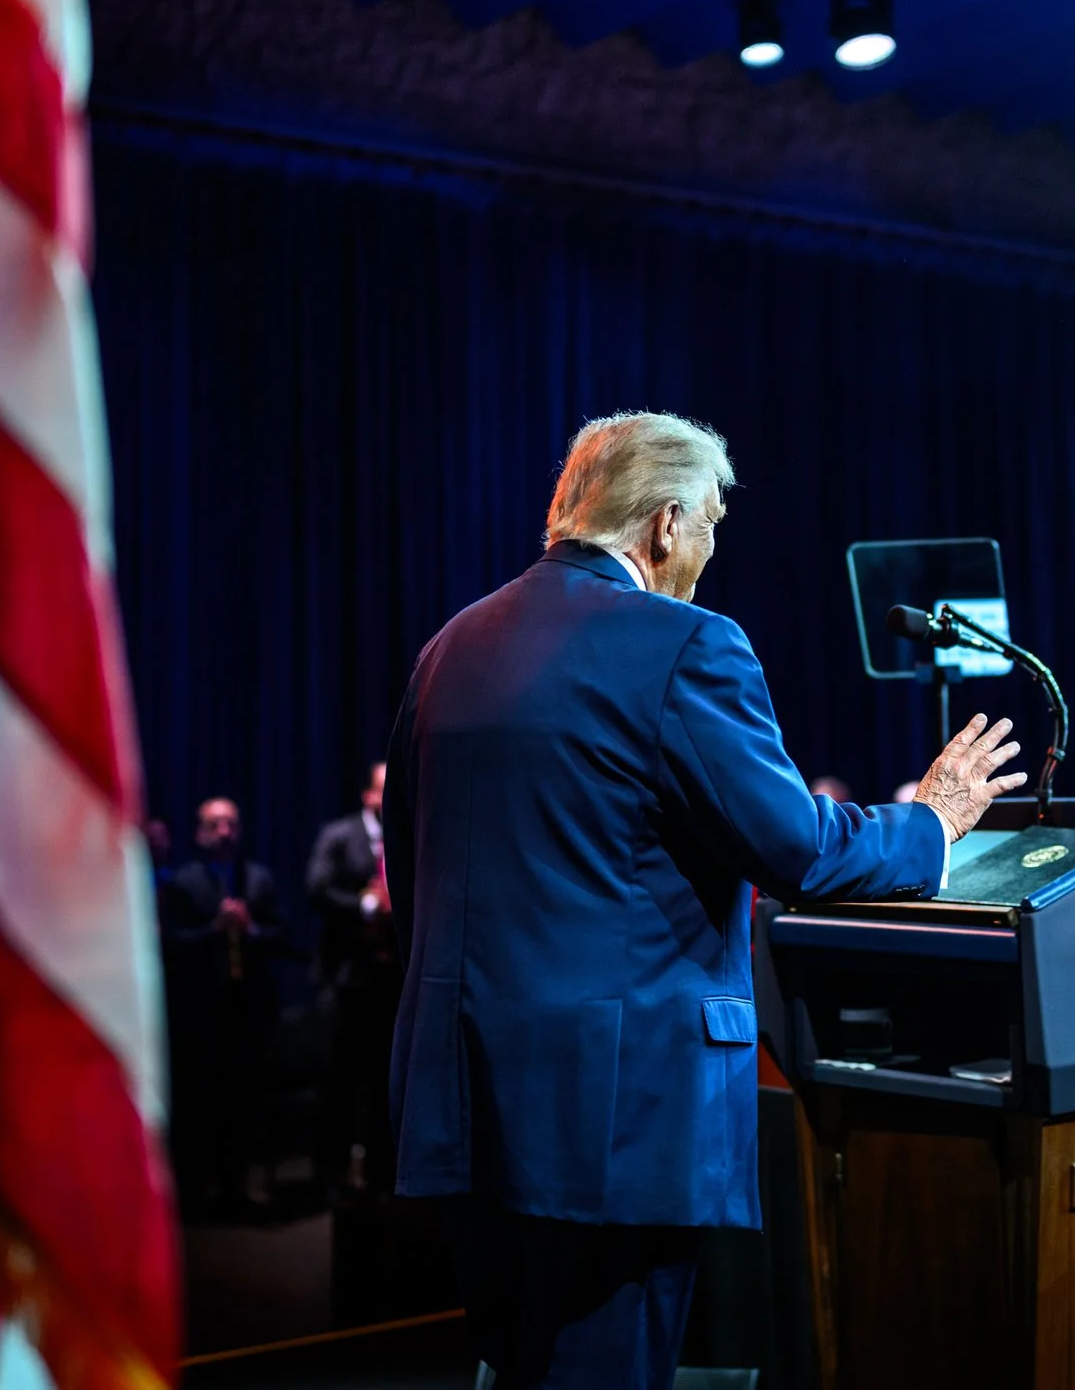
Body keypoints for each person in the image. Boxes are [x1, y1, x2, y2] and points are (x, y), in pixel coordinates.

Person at [382, 412, 1028, 1388]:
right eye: (713, 524)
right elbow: (800, 851)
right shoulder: (683, 644)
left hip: (466, 1096)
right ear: (666, 522)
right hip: (614, 1116)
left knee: (517, 1366)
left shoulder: (451, 646)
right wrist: (932, 819)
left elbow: (411, 870)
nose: (711, 550)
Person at [162, 797, 287, 1214]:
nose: (225, 832)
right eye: (215, 825)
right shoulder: (183, 883)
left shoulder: (259, 879)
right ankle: (202, 1187)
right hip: (202, 1010)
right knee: (203, 1098)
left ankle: (242, 1184)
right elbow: (171, 943)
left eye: (231, 824)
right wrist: (214, 929)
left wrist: (250, 929)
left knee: (246, 1097)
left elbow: (281, 935)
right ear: (200, 833)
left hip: (249, 1007)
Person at [307, 762, 401, 1197]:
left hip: (390, 979)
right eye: (384, 788)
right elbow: (317, 888)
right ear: (367, 795)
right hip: (345, 978)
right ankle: (330, 1177)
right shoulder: (339, 835)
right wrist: (368, 905)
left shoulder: (406, 836)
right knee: (338, 1078)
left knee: (384, 1082)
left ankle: (383, 1178)